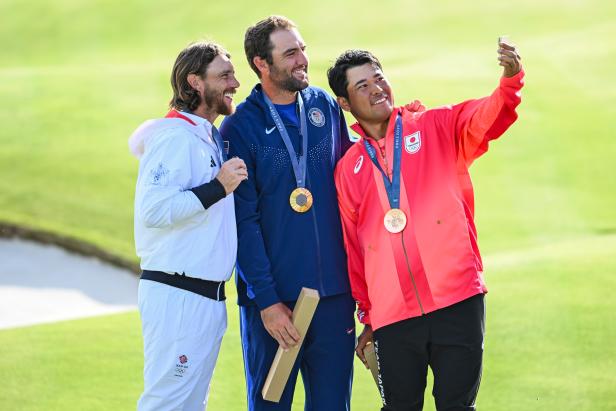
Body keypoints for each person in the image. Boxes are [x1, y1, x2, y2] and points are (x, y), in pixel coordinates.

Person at [328, 39, 524, 411]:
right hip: (392, 316)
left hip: (457, 299)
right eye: (362, 86)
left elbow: (487, 116)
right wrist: (367, 315)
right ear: (344, 103)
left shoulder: (435, 126)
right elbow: (354, 249)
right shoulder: (348, 169)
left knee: (457, 406)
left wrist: (510, 80)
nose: (376, 89)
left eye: (379, 78)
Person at [219, 15, 355, 411]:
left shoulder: (326, 106)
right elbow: (243, 222)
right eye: (291, 53)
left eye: (303, 50)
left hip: (333, 296)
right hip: (275, 306)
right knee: (270, 406)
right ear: (262, 63)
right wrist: (267, 301)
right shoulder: (239, 128)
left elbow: (351, 184)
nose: (303, 60)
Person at [128, 41, 246, 411]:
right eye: (224, 76)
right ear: (195, 81)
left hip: (203, 297)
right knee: (168, 403)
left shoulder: (202, 134)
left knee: (190, 404)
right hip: (179, 294)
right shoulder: (175, 137)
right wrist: (219, 186)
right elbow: (154, 209)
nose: (235, 83)